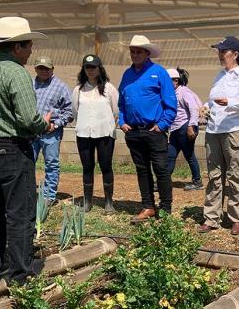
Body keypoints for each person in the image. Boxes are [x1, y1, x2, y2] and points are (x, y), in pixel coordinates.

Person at [0, 16, 53, 286]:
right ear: (17, 47)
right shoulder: (16, 73)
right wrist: (45, 124)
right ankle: (20, 276)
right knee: (20, 212)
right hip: (11, 149)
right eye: (29, 45)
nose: (31, 51)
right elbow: (29, 119)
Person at [198, 37, 239, 236]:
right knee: (214, 176)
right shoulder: (219, 75)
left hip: (235, 130)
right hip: (214, 131)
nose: (220, 55)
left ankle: (237, 217)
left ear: (235, 54)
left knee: (236, 175)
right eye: (219, 51)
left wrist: (229, 102)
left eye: (224, 51)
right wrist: (206, 107)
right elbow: (212, 100)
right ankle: (212, 217)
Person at [118, 35, 177, 223]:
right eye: (132, 51)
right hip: (133, 131)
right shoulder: (127, 75)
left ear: (147, 53)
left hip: (154, 130)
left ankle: (165, 208)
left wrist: (162, 125)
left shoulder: (158, 72)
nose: (135, 54)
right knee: (142, 170)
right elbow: (121, 103)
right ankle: (148, 206)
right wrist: (121, 121)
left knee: (161, 169)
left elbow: (171, 102)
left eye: (138, 51)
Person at [72, 54, 119, 213]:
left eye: (93, 67)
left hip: (105, 133)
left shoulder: (109, 88)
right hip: (84, 133)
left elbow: (115, 110)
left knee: (106, 166)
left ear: (100, 68)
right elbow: (75, 110)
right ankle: (87, 201)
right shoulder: (78, 89)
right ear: (83, 69)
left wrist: (107, 123)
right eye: (87, 67)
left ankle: (108, 202)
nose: (90, 70)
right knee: (87, 167)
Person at [32, 56, 73, 206]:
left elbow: (69, 112)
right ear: (35, 68)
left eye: (46, 68)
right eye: (40, 68)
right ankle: (28, 192)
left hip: (51, 133)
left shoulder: (61, 87)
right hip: (31, 133)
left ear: (52, 69)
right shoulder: (29, 84)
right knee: (28, 163)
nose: (43, 71)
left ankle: (49, 195)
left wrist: (55, 125)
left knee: (51, 164)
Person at [166, 67, 204, 191]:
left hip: (185, 127)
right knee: (170, 155)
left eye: (168, 81)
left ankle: (197, 181)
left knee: (189, 155)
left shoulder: (184, 92)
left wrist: (190, 126)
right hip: (176, 128)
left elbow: (193, 109)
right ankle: (164, 181)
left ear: (176, 81)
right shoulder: (173, 93)